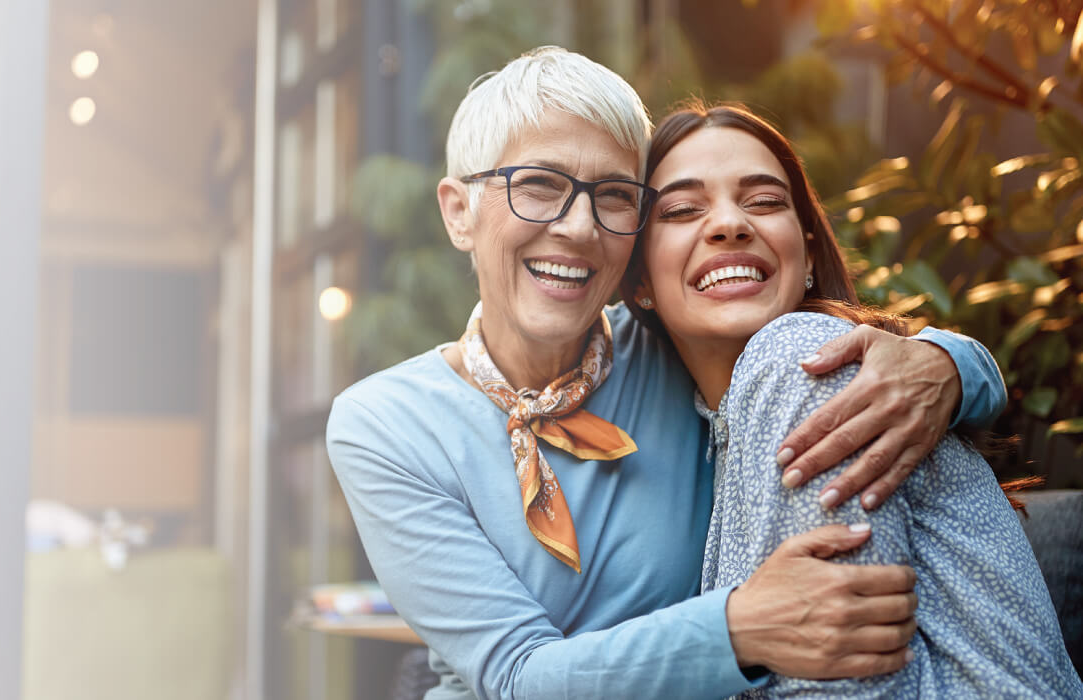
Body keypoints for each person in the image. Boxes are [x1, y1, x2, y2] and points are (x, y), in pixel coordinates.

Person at [327, 47, 1006, 699]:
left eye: (615, 196)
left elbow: (812, 344)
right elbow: (512, 677)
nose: (577, 226)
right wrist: (740, 627)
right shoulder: (385, 424)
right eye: (538, 185)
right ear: (458, 210)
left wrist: (950, 363)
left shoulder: (676, 350)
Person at [622, 102, 1082, 697]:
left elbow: (843, 684)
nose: (729, 224)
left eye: (764, 201)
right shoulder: (704, 420)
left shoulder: (798, 358)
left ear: (809, 253)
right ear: (638, 282)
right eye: (683, 210)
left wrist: (960, 363)